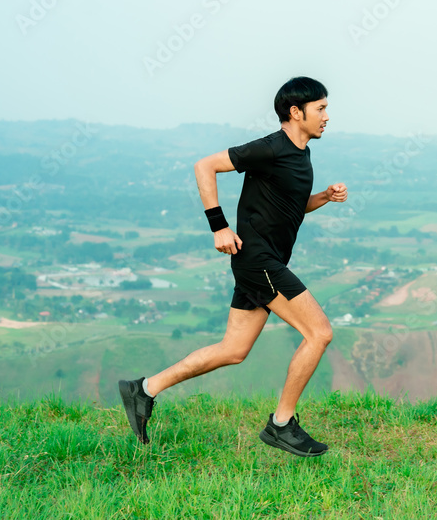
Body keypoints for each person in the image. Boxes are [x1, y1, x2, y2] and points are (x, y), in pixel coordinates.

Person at [118, 76, 346, 457]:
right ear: (296, 112)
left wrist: (322, 197)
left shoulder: (300, 152)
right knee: (319, 333)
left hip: (259, 263)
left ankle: (143, 390)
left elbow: (291, 205)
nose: (327, 116)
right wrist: (218, 225)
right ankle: (281, 424)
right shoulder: (269, 148)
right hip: (260, 261)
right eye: (320, 108)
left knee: (233, 349)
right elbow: (204, 166)